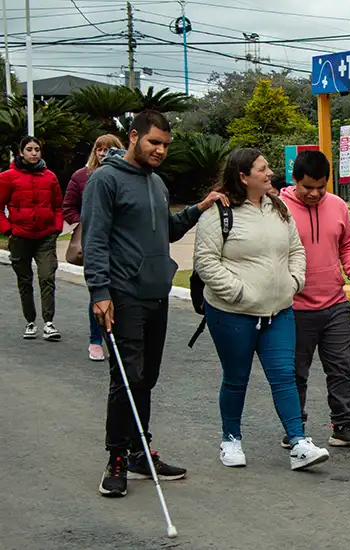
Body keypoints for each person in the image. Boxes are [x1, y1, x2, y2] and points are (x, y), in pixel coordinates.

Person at [81, 110, 228, 498]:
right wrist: (100, 292)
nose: (160, 150)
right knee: (127, 377)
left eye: (165, 145)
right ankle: (116, 459)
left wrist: (200, 207)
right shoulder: (105, 180)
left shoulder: (157, 183)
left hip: (155, 293)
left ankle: (138, 452)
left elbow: (168, 231)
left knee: (146, 377)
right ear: (134, 137)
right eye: (154, 143)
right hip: (122, 294)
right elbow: (95, 239)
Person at [194, 148, 330, 471]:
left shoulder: (278, 208)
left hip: (278, 310)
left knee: (284, 376)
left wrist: (294, 281)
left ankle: (298, 442)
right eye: (262, 169)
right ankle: (231, 439)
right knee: (236, 378)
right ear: (243, 177)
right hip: (232, 313)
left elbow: (296, 249)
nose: (270, 173)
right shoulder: (219, 212)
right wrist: (239, 292)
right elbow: (205, 261)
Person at [279, 150, 350, 449]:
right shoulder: (279, 209)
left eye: (321, 187)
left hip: (335, 303)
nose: (314, 193)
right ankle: (295, 429)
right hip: (294, 306)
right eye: (307, 187)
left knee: (341, 367)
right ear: (295, 180)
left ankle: (343, 426)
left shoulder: (338, 205)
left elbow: (348, 244)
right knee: (296, 372)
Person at [64, 134, 124, 361]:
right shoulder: (82, 176)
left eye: (108, 149)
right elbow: (68, 207)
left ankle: (116, 339)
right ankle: (95, 340)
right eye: (99, 149)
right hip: (93, 243)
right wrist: (85, 222)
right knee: (98, 291)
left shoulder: (124, 176)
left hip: (118, 244)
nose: (102, 153)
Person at [0, 136, 63, 341]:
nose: (34, 153)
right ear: (21, 152)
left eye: (37, 149)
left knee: (47, 276)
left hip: (45, 236)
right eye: (29, 149)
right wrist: (8, 229)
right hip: (20, 237)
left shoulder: (50, 177)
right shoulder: (8, 177)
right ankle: (30, 321)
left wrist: (57, 227)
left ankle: (49, 323)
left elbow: (58, 206)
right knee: (24, 280)